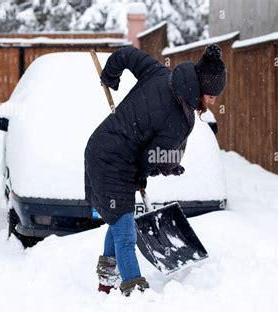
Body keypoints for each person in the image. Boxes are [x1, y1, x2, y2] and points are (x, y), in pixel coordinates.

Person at [84, 43, 227, 296]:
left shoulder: (160, 73)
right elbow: (152, 156)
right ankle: (136, 297)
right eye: (211, 95)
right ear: (201, 88)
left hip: (102, 146)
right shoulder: (181, 119)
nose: (213, 101)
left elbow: (126, 54)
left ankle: (105, 286)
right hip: (112, 162)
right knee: (126, 234)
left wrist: (111, 75)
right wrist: (154, 169)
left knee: (117, 219)